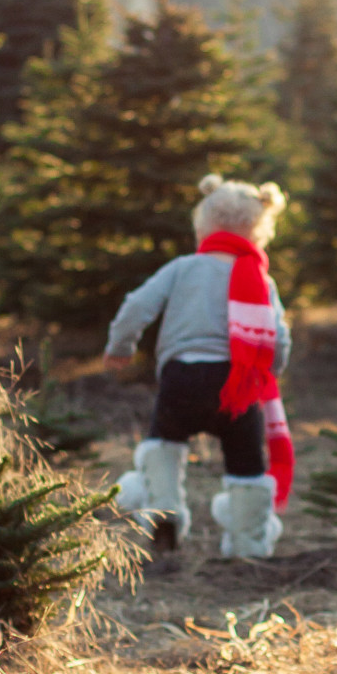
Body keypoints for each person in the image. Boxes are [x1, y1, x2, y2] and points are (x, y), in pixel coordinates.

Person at [105, 175, 293, 558]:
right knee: (246, 463)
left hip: (182, 378)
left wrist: (120, 346)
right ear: (259, 232)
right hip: (237, 384)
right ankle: (248, 544)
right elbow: (280, 338)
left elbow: (136, 307)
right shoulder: (261, 280)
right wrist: (266, 374)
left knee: (164, 443)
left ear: (203, 226)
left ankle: (164, 513)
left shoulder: (182, 268)